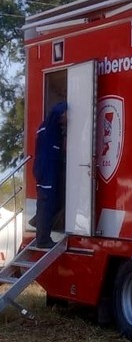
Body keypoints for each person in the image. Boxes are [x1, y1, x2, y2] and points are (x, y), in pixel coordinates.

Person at [33, 101, 67, 249]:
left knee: (47, 203)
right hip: (47, 172)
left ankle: (39, 227)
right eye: (65, 114)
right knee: (46, 204)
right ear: (59, 115)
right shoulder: (51, 129)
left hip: (44, 170)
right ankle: (42, 240)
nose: (67, 117)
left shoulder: (45, 127)